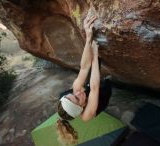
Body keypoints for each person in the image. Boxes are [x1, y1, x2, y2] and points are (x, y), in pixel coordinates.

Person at [55, 14, 112, 145]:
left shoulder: (76, 91)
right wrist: (96, 54)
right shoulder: (86, 115)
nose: (77, 92)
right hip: (102, 94)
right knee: (104, 83)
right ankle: (108, 79)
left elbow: (84, 68)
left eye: (72, 95)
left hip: (92, 89)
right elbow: (94, 88)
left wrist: (88, 37)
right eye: (77, 98)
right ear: (80, 108)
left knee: (86, 79)